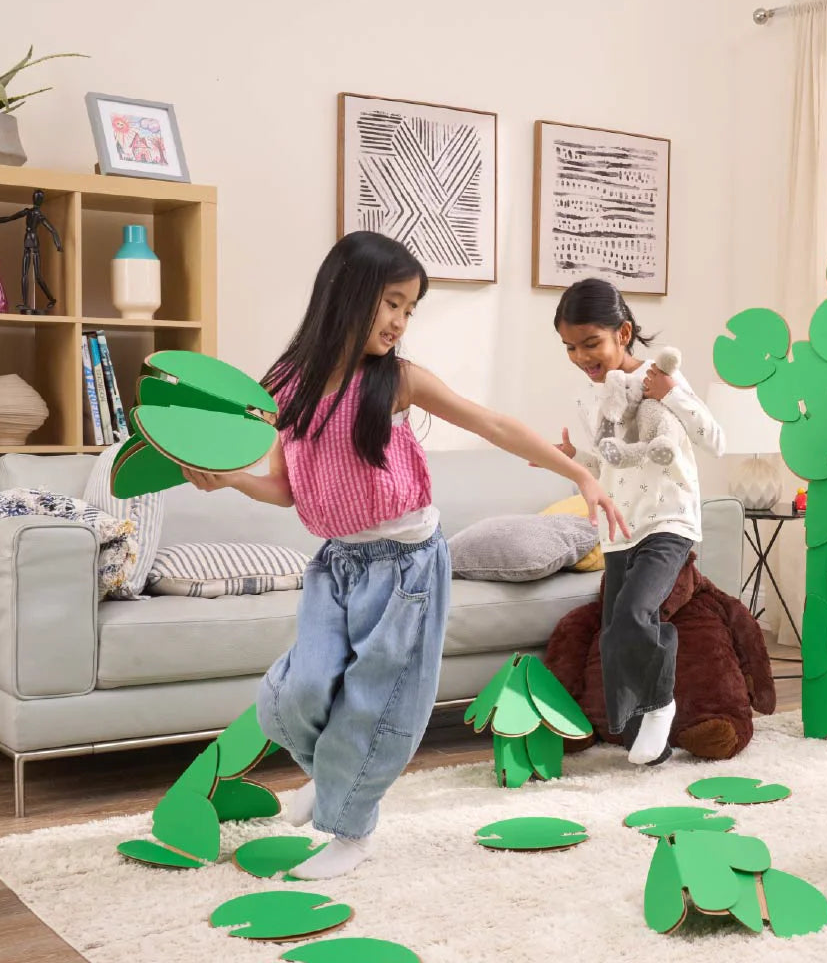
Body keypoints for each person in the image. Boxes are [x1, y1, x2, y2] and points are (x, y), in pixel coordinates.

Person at [183, 232, 628, 878]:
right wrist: (231, 479)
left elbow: (493, 424)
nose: (398, 321)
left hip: (406, 568)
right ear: (345, 295)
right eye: (390, 303)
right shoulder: (286, 384)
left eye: (409, 309)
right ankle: (334, 782)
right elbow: (286, 488)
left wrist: (581, 476)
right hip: (336, 565)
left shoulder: (397, 381)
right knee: (296, 694)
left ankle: (350, 831)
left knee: (375, 703)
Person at [553, 277, 724, 766]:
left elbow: (716, 439)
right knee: (614, 634)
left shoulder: (660, 378)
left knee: (633, 613)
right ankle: (644, 740)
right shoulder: (595, 398)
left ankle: (660, 704)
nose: (582, 356)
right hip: (619, 528)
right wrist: (572, 457)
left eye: (591, 343)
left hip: (669, 520)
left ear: (623, 333)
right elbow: (615, 462)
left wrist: (672, 394)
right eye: (570, 347)